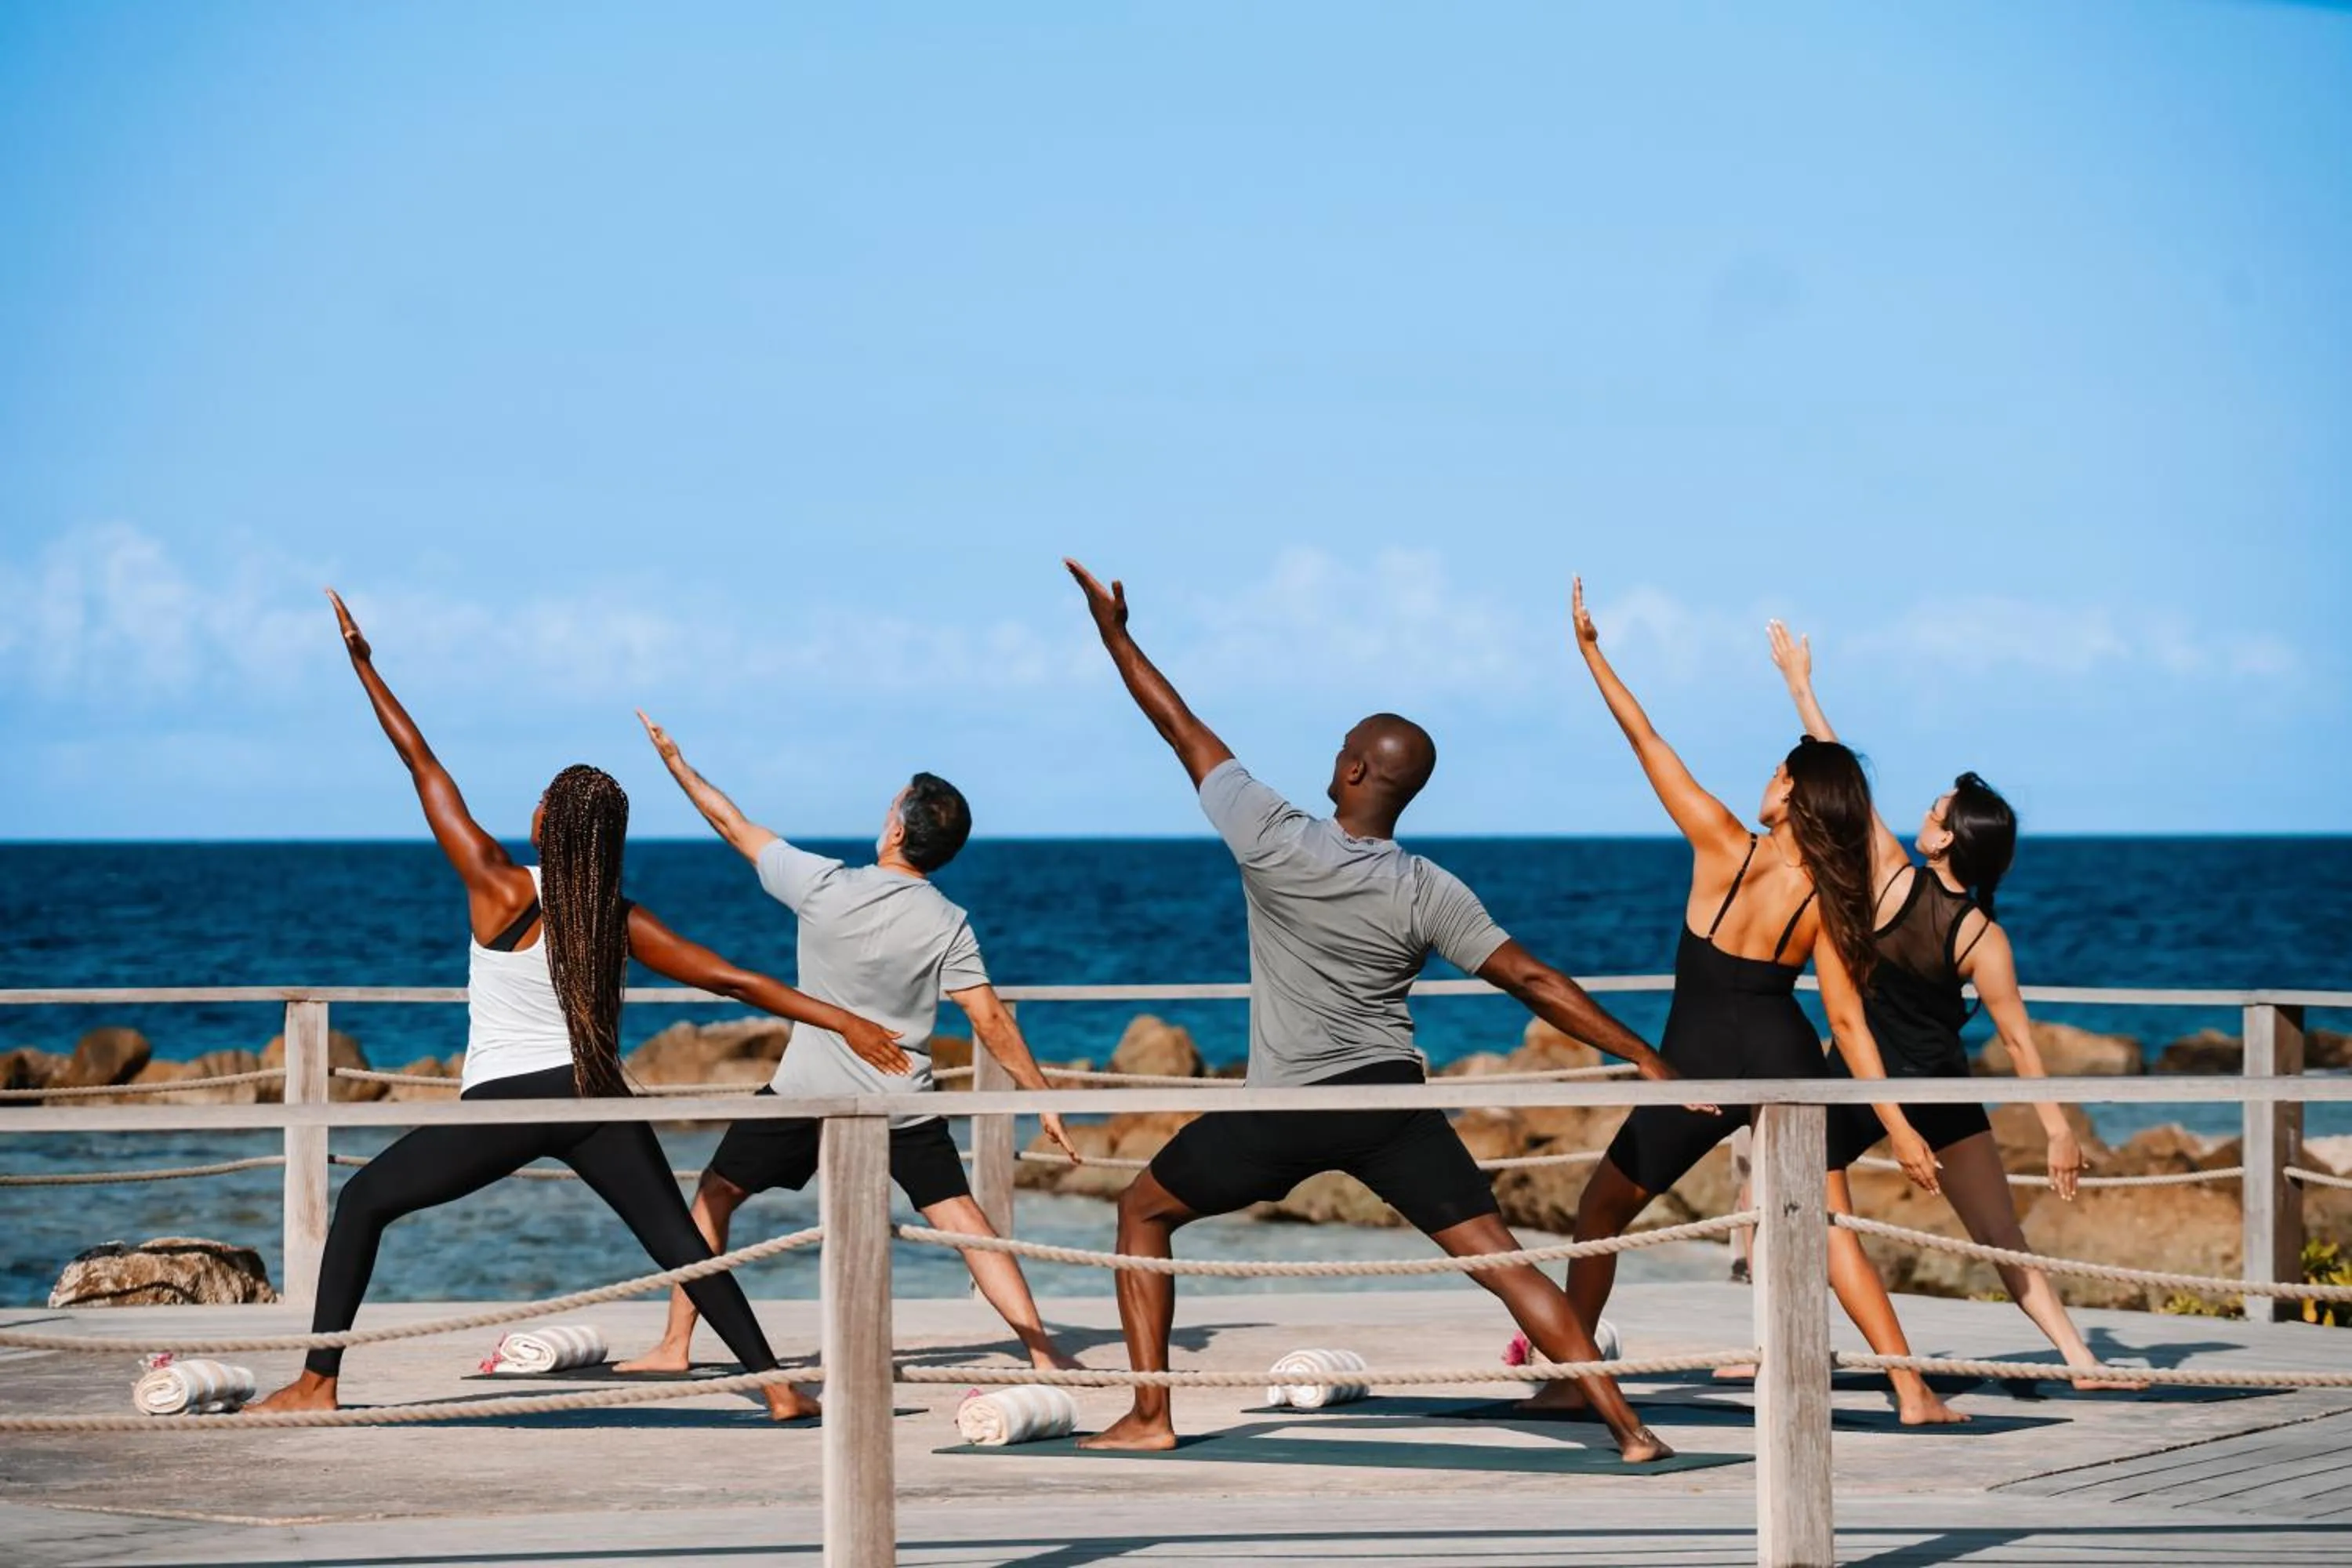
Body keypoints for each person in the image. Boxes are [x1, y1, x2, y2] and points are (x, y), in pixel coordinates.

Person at [1062, 559, 1682, 1462]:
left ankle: (1151, 1415)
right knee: (1506, 1263)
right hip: (1391, 1103)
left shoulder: (1273, 837)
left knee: (1141, 1213)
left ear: (1352, 768)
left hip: (1289, 1108)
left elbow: (1179, 726)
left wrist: (1116, 633)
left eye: (1340, 746)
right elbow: (1535, 980)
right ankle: (1630, 1429)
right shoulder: (1429, 887)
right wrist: (1648, 1058)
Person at [252, 591, 907, 1421]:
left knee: (363, 1201)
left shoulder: (497, 886)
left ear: (546, 821)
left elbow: (422, 764)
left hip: (509, 1103)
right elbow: (735, 981)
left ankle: (317, 1383)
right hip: (594, 1095)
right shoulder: (618, 916)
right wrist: (844, 1018)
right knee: (676, 1243)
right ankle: (775, 1385)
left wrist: (363, 663)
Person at [1542, 579, 1965, 1426]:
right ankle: (1912, 1388)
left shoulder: (1721, 841)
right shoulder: (1833, 899)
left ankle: (1572, 1378)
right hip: (1779, 1050)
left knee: (1602, 1208)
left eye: (1779, 772)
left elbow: (1646, 738)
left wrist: (1591, 651)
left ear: (1792, 796)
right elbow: (1846, 1022)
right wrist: (1903, 1122)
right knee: (1829, 1222)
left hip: (1696, 1058)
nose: (1768, 779)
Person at [615, 715, 1083, 1377]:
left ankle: (675, 1346)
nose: (886, 809)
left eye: (892, 803)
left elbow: (732, 825)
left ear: (897, 830)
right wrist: (1045, 1100)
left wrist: (677, 765)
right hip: (900, 1104)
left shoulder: (825, 885)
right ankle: (1044, 1352)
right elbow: (991, 1021)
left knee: (714, 1197)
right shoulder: (949, 922)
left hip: (806, 1093)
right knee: (964, 1221)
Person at [1769, 619, 2139, 1389]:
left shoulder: (1888, 871)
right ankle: (2081, 1359)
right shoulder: (1984, 934)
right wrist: (2058, 1129)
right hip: (1940, 1083)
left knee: (1788, 1204)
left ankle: (1779, 1348)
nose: (1923, 814)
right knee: (2001, 1234)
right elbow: (2020, 1043)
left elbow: (1840, 771)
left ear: (1945, 843)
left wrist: (1799, 682)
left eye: (1936, 812)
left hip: (1866, 1081)